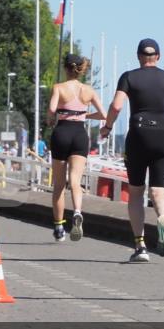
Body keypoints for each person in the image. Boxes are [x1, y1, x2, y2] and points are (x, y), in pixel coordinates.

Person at [101, 38, 164, 263]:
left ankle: (140, 246)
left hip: (139, 135)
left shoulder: (129, 77)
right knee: (159, 192)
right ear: (157, 57)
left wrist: (108, 127)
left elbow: (117, 106)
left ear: (139, 56)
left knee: (136, 192)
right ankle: (162, 217)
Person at [47, 54, 107, 242]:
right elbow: (103, 114)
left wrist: (50, 120)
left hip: (62, 132)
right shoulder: (88, 91)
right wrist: (85, 115)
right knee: (75, 181)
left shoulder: (58, 88)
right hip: (80, 134)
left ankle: (58, 227)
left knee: (58, 185)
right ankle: (78, 212)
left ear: (66, 68)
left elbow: (51, 110)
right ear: (80, 70)